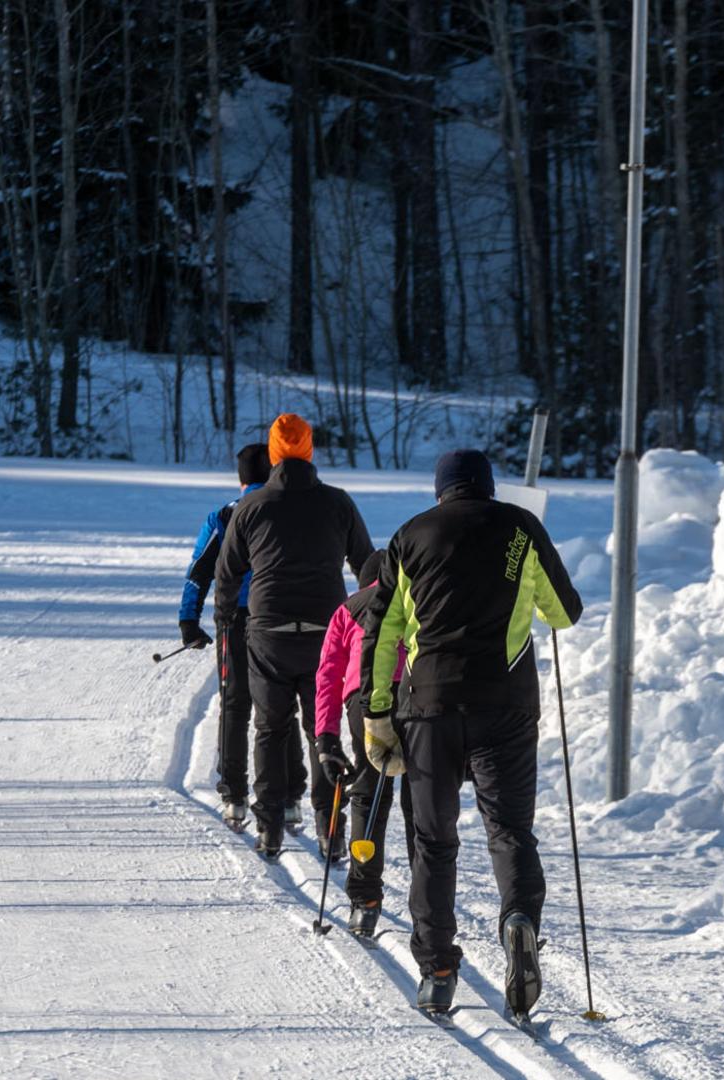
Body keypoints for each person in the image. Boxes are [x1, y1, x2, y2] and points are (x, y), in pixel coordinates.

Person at [358, 449, 582, 1018]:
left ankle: (436, 969)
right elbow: (563, 613)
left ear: (441, 491)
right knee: (510, 830)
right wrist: (519, 585)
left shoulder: (410, 536)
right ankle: (519, 920)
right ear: (487, 487)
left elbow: (383, 631)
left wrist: (376, 710)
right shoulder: (519, 528)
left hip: (429, 706)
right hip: (506, 706)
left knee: (433, 841)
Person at [215, 414, 375, 860]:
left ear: (272, 454)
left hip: (268, 630)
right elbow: (366, 567)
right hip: (326, 631)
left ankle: (269, 828)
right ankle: (330, 827)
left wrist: (226, 622)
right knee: (320, 729)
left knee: (269, 728)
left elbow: (227, 575)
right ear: (309, 451)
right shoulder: (339, 503)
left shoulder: (251, 507)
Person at [312, 550, 412, 938]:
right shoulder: (416, 597)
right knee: (421, 802)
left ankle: (364, 901)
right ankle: (428, 908)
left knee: (370, 796)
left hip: (363, 700)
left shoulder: (349, 607)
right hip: (414, 695)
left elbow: (327, 675)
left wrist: (326, 736)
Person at [177, 443, 270, 831]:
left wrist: (189, 620)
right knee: (276, 706)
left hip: (232, 618)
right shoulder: (283, 511)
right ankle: (285, 794)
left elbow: (199, 571)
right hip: (274, 617)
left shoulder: (223, 516)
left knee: (235, 703)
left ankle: (234, 794)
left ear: (240, 477)